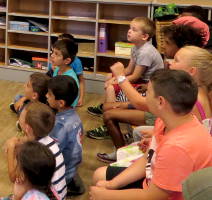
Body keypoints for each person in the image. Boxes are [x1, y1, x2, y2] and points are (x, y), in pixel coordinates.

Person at [90, 69, 212, 200]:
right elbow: (147, 159)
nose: (144, 97)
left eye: (147, 92)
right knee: (99, 178)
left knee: (99, 191)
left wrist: (108, 195)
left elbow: (152, 196)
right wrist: (112, 184)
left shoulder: (177, 148)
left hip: (159, 194)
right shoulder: (167, 120)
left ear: (160, 101)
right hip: (153, 181)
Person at [87, 16, 164, 116]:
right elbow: (128, 70)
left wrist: (115, 82)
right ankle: (105, 107)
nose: (129, 31)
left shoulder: (146, 52)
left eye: (134, 30)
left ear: (144, 36)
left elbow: (135, 77)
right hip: (140, 80)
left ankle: (112, 114)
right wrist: (114, 77)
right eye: (130, 28)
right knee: (109, 76)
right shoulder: (135, 48)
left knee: (111, 87)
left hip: (147, 85)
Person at [5, 102, 67, 200]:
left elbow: (13, 178)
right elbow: (28, 139)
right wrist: (21, 141)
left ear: (27, 128)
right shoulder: (49, 140)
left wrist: (11, 148)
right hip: (59, 195)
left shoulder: (33, 153)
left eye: (20, 116)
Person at [46, 75, 85, 196]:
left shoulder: (59, 125)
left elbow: (51, 154)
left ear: (61, 103)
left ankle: (64, 185)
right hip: (73, 165)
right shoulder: (75, 117)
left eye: (50, 94)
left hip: (64, 171)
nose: (46, 96)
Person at [47, 33, 85, 106]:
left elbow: (69, 102)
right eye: (52, 52)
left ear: (67, 60)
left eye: (56, 53)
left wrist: (81, 98)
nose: (51, 55)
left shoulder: (70, 78)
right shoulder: (57, 68)